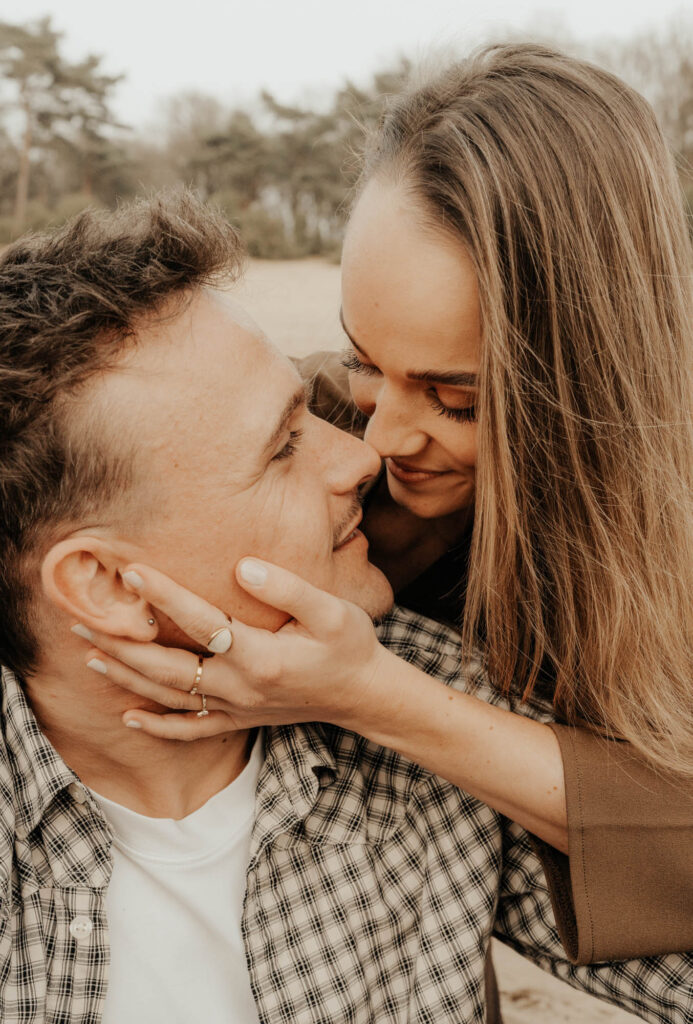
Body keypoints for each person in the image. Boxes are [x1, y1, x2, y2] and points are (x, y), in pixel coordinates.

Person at [5, 190, 688, 1024]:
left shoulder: (423, 720)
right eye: (286, 444)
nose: (361, 457)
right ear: (109, 587)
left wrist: (381, 700)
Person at [101, 43, 693, 969]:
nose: (376, 444)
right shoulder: (306, 441)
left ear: (592, 384)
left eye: (457, 401)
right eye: (364, 362)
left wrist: (374, 695)